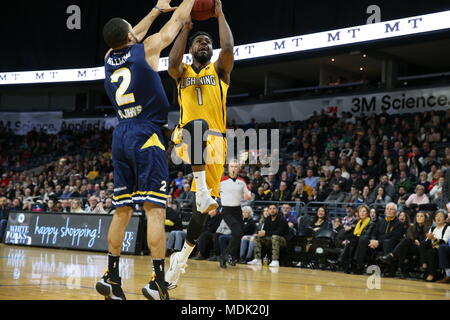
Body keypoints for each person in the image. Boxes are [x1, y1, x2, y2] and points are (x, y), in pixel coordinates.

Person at [95, 0, 196, 301]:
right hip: (146, 133)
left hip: (121, 134)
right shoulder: (147, 49)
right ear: (130, 36)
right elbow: (178, 21)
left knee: (122, 210)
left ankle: (111, 277)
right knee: (155, 210)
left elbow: (128, 34)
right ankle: (157, 281)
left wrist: (154, 10)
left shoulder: (108, 56)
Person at [165, 0, 235, 290]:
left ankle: (181, 259)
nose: (204, 45)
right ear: (192, 49)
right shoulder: (181, 72)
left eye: (207, 42)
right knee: (196, 127)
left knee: (202, 210)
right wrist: (185, 28)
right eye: (199, 42)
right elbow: (170, 64)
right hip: (187, 139)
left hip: (216, 144)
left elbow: (228, 50)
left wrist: (220, 15)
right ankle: (202, 190)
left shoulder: (220, 71)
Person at [216, 160, 252, 268]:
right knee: (237, 232)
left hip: (237, 210)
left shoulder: (242, 181)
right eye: (231, 166)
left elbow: (248, 194)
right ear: (228, 168)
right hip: (226, 210)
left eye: (236, 167)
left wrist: (248, 196)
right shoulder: (222, 181)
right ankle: (227, 255)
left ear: (238, 169)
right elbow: (213, 192)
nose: (233, 168)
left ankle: (225, 256)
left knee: (239, 234)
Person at [353, 203, 404, 274]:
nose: (389, 211)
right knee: (363, 240)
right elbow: (374, 233)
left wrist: (379, 242)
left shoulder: (399, 224)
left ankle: (388, 270)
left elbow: (394, 238)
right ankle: (359, 267)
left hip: (389, 245)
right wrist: (372, 241)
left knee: (387, 242)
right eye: (387, 209)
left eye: (391, 209)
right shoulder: (380, 221)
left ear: (395, 212)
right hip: (376, 243)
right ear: (385, 211)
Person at [379, 211, 431, 279]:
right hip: (412, 247)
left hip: (422, 249)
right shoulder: (412, 227)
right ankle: (403, 272)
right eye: (417, 216)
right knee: (404, 247)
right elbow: (409, 237)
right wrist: (414, 241)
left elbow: (428, 241)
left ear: (425, 218)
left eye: (421, 216)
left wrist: (420, 242)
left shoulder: (429, 228)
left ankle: (391, 256)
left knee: (405, 242)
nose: (419, 218)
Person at [339, 205, 375, 274]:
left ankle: (351, 263)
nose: (362, 213)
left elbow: (367, 235)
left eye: (364, 211)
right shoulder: (357, 222)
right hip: (357, 241)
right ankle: (346, 263)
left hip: (366, 242)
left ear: (367, 213)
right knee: (349, 239)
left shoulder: (371, 223)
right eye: (360, 211)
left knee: (353, 240)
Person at [423, 210, 450, 282]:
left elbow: (444, 242)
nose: (438, 218)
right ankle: (424, 263)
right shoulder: (432, 228)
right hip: (432, 247)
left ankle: (431, 274)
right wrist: (428, 238)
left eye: (441, 216)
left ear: (445, 219)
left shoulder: (447, 228)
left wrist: (433, 238)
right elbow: (427, 242)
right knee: (422, 245)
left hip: (440, 249)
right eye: (437, 216)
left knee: (431, 252)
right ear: (434, 218)